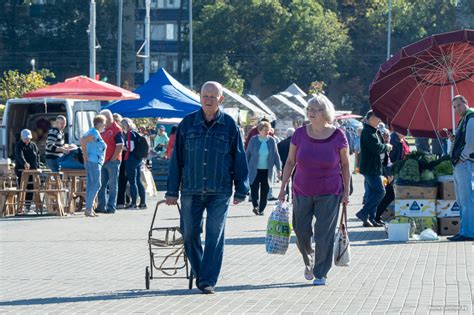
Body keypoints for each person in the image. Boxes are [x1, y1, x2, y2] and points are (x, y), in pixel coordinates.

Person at [166, 81, 249, 294]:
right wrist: (172, 191)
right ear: (199, 97)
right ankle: (202, 271)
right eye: (205, 96)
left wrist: (242, 188)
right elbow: (177, 160)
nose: (209, 100)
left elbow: (239, 158)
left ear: (221, 99)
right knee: (189, 233)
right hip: (191, 189)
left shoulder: (230, 125)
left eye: (213, 97)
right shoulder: (187, 124)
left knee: (214, 234)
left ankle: (207, 280)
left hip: (219, 190)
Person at [278, 94, 350, 286]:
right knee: (301, 232)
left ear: (325, 112)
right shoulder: (299, 134)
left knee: (324, 233)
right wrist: (283, 187)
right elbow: (291, 161)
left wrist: (346, 190)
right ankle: (308, 259)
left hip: (330, 191)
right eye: (309, 108)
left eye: (315, 109)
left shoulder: (338, 135)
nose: (311, 112)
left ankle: (320, 272)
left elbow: (345, 165)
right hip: (301, 189)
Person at [356, 110, 392, 227]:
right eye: (377, 118)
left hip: (374, 167)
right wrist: (386, 146)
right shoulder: (367, 131)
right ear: (370, 118)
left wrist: (385, 143)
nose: (379, 120)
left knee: (372, 193)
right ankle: (363, 213)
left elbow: (377, 146)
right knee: (381, 192)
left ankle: (371, 218)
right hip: (370, 168)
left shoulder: (373, 131)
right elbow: (376, 148)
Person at [447, 95, 474, 242]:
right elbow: (464, 140)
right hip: (461, 164)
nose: (457, 109)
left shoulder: (471, 118)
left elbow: (472, 142)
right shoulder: (464, 119)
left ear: (466, 103)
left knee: (466, 199)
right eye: (454, 106)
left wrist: (462, 157)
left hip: (465, 163)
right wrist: (454, 139)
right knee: (462, 199)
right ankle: (465, 230)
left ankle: (468, 232)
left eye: (459, 105)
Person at [246, 121, 282, 215]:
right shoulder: (253, 140)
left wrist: (279, 169)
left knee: (265, 191)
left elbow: (276, 156)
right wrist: (244, 167)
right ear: (259, 130)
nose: (267, 131)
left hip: (267, 171)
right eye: (265, 130)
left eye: (268, 130)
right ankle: (255, 206)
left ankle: (261, 209)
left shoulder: (271, 141)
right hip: (254, 169)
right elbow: (248, 154)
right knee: (254, 189)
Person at [374, 131, 410, 223]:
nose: (407, 131)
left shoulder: (403, 140)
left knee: (388, 195)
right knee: (387, 194)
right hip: (390, 172)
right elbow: (386, 158)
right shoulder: (393, 140)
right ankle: (375, 216)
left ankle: (376, 216)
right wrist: (389, 173)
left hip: (397, 172)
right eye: (405, 129)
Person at [96, 109, 124, 214]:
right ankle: (101, 206)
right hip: (103, 161)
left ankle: (111, 207)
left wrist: (113, 159)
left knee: (112, 185)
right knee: (101, 185)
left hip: (113, 161)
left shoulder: (116, 129)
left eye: (102, 119)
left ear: (108, 119)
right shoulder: (102, 129)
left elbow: (120, 145)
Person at [80, 115, 107, 217]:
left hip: (93, 161)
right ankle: (88, 208)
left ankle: (89, 208)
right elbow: (82, 141)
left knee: (91, 184)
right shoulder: (94, 132)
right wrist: (85, 156)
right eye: (104, 124)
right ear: (99, 124)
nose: (105, 126)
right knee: (96, 184)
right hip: (93, 161)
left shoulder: (93, 132)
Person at [121, 118, 147, 209]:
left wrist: (122, 148)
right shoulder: (136, 133)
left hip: (131, 159)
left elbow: (130, 148)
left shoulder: (129, 134)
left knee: (132, 182)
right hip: (138, 159)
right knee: (138, 181)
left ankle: (134, 203)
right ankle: (143, 203)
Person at [14, 129, 40, 212]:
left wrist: (38, 166)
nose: (27, 140)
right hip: (21, 170)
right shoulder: (19, 145)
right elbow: (19, 155)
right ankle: (20, 207)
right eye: (25, 138)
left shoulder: (33, 145)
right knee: (22, 187)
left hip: (33, 170)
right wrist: (24, 163)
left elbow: (37, 155)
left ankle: (28, 206)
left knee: (31, 187)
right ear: (22, 137)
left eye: (28, 138)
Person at [277, 128, 295, 200]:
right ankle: (294, 197)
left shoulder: (281, 143)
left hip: (284, 164)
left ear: (286, 135)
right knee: (294, 182)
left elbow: (278, 156)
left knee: (285, 181)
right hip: (295, 165)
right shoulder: (296, 143)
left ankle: (286, 196)